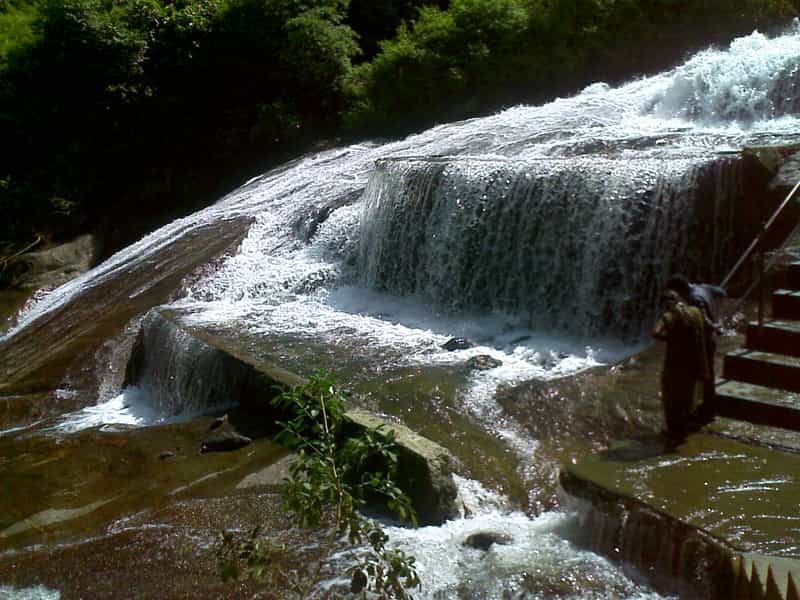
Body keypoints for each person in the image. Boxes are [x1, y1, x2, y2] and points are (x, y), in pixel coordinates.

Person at [652, 290, 712, 439]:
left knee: (671, 395)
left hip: (674, 363)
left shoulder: (669, 316)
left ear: (665, 304)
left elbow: (655, 333)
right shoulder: (695, 312)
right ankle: (685, 426)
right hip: (693, 361)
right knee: (687, 395)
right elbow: (704, 327)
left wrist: (670, 338)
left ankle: (674, 430)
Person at [665, 274, 726, 421]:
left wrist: (716, 326)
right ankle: (706, 405)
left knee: (703, 373)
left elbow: (705, 321)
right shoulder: (702, 287)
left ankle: (708, 407)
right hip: (707, 339)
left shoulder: (694, 300)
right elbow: (722, 292)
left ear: (678, 290)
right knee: (706, 372)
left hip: (704, 341)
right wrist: (719, 314)